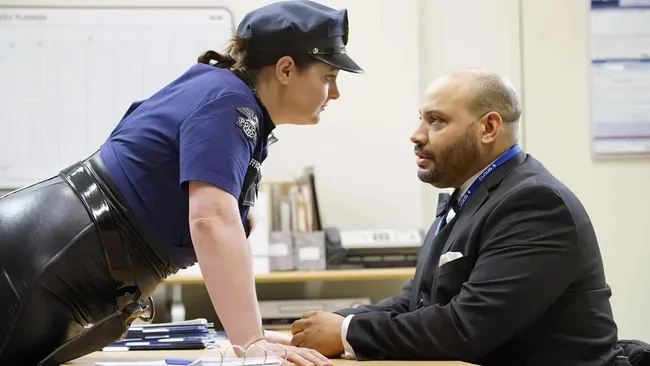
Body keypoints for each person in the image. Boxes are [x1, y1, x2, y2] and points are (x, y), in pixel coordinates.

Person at [0, 1, 363, 365]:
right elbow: (211, 221)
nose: (334, 93)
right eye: (328, 77)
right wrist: (250, 341)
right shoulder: (231, 103)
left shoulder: (232, 100)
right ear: (286, 69)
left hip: (51, 261)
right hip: (39, 265)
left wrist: (249, 332)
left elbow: (226, 227)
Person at [289, 69, 627, 366]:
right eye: (421, 118)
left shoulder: (535, 203)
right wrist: (332, 322)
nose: (417, 134)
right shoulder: (469, 195)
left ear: (489, 128)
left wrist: (346, 333)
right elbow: (416, 301)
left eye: (436, 121)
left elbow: (467, 326)